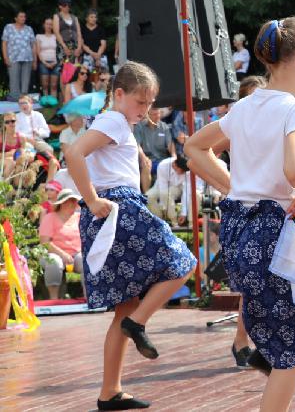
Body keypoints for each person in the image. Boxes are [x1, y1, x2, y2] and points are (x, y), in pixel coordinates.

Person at [184, 17, 295, 410]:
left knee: (287, 331)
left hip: (239, 237)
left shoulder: (245, 106)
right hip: (272, 238)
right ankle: (275, 353)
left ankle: (270, 349)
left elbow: (194, 148)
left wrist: (234, 186)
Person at [66, 60, 197, 411]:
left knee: (124, 306)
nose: (146, 110)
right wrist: (93, 199)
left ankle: (110, 391)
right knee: (183, 262)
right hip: (117, 210)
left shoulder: (117, 122)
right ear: (119, 94)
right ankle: (137, 324)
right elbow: (73, 152)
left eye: (151, 103)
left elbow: (113, 160)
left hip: (114, 210)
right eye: (141, 102)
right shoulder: (113, 119)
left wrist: (139, 166)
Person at [39, 188, 85, 299]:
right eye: (72, 201)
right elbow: (45, 243)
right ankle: (53, 300)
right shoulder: (49, 218)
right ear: (63, 203)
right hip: (53, 253)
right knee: (54, 261)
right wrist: (63, 254)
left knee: (86, 260)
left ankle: (88, 298)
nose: (75, 204)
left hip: (76, 254)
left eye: (75, 201)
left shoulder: (80, 217)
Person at [2, 10, 37, 100]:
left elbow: (33, 45)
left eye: (24, 17)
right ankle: (14, 100)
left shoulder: (29, 29)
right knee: (14, 80)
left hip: (28, 58)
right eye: (21, 16)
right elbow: (4, 43)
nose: (23, 18)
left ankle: (24, 100)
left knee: (25, 81)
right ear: (16, 18)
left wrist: (34, 60)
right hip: (13, 58)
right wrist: (5, 57)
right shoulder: (8, 27)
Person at [133, 107, 175, 175]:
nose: (157, 116)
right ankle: (146, 186)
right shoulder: (139, 127)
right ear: (148, 115)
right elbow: (137, 145)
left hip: (162, 160)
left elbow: (170, 144)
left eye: (158, 114)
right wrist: (143, 157)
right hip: (147, 158)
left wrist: (174, 156)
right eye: (154, 114)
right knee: (145, 165)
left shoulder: (164, 127)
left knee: (174, 165)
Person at [146, 156, 188, 223]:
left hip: (179, 187)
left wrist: (184, 213)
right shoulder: (163, 165)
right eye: (182, 170)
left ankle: (174, 221)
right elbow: (163, 186)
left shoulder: (187, 168)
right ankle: (159, 220)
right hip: (160, 185)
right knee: (148, 196)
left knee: (166, 194)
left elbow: (186, 192)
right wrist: (163, 206)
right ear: (174, 164)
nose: (183, 173)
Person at [53, 0, 83, 65]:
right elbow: (56, 33)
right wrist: (64, 47)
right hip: (63, 45)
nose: (67, 7)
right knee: (64, 69)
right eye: (64, 5)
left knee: (76, 68)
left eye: (69, 5)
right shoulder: (57, 16)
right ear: (60, 6)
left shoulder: (75, 17)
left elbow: (79, 33)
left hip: (75, 45)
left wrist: (79, 47)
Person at [36, 17, 60, 100]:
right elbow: (38, 51)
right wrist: (45, 63)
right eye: (47, 24)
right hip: (43, 62)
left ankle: (53, 102)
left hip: (55, 62)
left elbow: (59, 51)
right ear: (44, 25)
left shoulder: (56, 36)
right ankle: (46, 102)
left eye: (51, 24)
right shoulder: (39, 36)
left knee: (54, 85)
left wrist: (55, 62)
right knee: (45, 85)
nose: (49, 26)